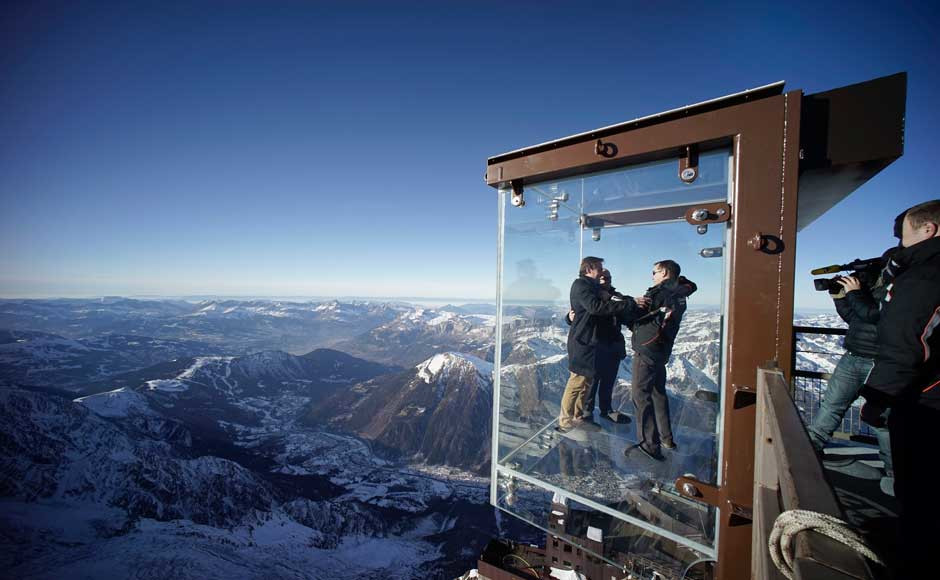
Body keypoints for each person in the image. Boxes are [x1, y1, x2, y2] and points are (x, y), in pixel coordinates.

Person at [860, 200, 940, 575]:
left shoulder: (925, 276)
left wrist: (876, 398)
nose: (898, 245)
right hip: (926, 390)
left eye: (903, 237)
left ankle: (912, 555)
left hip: (925, 398)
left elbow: (905, 341)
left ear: (929, 231)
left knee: (919, 484)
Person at [806, 251, 894, 494]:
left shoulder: (895, 289)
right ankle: (811, 449)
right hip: (854, 355)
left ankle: (893, 472)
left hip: (881, 361)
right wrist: (839, 297)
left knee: (881, 419)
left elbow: (875, 316)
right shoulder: (868, 289)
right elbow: (854, 319)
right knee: (831, 405)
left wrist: (856, 293)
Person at [558, 257, 642, 433]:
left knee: (587, 381)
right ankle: (565, 421)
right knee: (577, 381)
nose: (602, 272)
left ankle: (579, 416)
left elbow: (603, 303)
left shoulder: (594, 288)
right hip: (584, 342)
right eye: (600, 269)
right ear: (589, 269)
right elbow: (594, 307)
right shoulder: (581, 285)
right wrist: (629, 302)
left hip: (594, 343)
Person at [628, 260, 697, 461]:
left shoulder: (659, 293)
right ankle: (666, 438)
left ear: (665, 272)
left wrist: (628, 304)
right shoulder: (680, 293)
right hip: (661, 350)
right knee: (658, 394)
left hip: (647, 350)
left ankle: (649, 445)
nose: (652, 276)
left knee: (640, 396)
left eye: (654, 272)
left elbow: (638, 315)